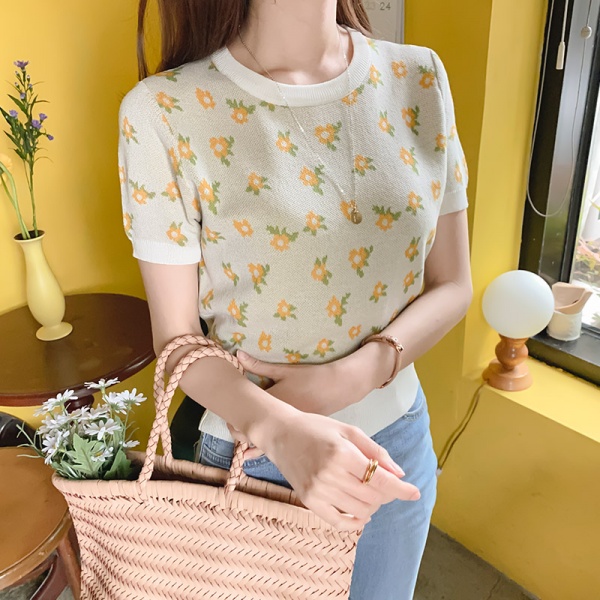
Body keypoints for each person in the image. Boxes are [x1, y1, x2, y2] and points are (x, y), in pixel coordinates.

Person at [118, 1, 472, 597]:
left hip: (397, 443)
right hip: (256, 462)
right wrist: (281, 430)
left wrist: (351, 376)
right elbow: (177, 342)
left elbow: (454, 283)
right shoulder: (164, 110)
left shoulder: (419, 77)